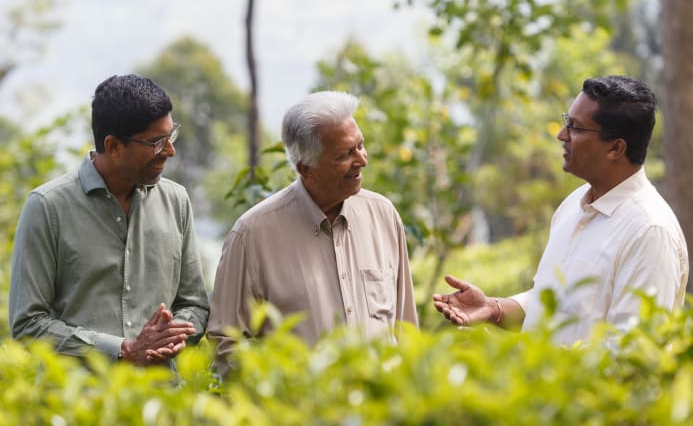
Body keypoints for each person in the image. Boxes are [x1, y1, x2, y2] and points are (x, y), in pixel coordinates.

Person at [433, 75, 688, 344]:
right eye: (567, 122)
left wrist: (526, 359)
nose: (562, 135)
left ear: (615, 148)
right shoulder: (573, 206)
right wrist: (494, 309)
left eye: (575, 127)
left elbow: (632, 351)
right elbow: (551, 303)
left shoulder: (649, 232)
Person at [208, 90, 418, 377]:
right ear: (306, 169)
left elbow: (406, 327)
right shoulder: (252, 235)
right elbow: (226, 342)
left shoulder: (384, 216)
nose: (362, 160)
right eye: (344, 154)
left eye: (360, 145)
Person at [9, 74, 210, 365]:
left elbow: (194, 305)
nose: (170, 150)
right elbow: (27, 325)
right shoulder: (47, 207)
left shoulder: (176, 200)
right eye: (157, 142)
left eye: (171, 136)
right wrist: (123, 350)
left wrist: (169, 337)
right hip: (76, 394)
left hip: (160, 392)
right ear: (113, 145)